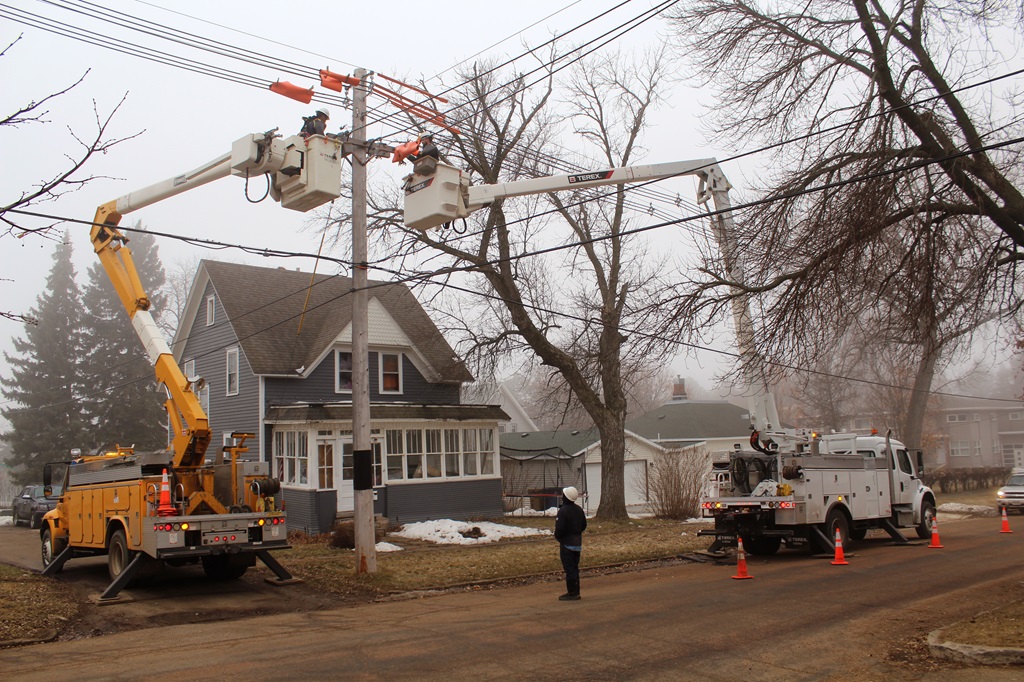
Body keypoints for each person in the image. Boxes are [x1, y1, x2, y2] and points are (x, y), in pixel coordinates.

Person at [554, 485, 587, 601]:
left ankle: (572, 592)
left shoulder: (563, 511)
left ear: (566, 497)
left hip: (567, 544)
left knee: (569, 568)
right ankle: (576, 590)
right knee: (574, 567)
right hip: (577, 543)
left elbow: (560, 529)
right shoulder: (579, 510)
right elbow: (584, 525)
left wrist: (558, 537)